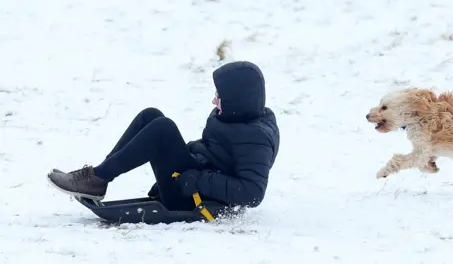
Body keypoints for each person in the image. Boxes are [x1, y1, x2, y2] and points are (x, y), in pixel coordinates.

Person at [47, 61, 280, 213]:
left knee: (163, 128)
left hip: (197, 199)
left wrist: (198, 180)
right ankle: (100, 176)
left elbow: (252, 193)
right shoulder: (233, 116)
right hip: (192, 180)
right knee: (151, 116)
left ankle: (97, 178)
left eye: (219, 96)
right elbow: (214, 152)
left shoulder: (256, 139)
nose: (213, 101)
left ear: (237, 100)